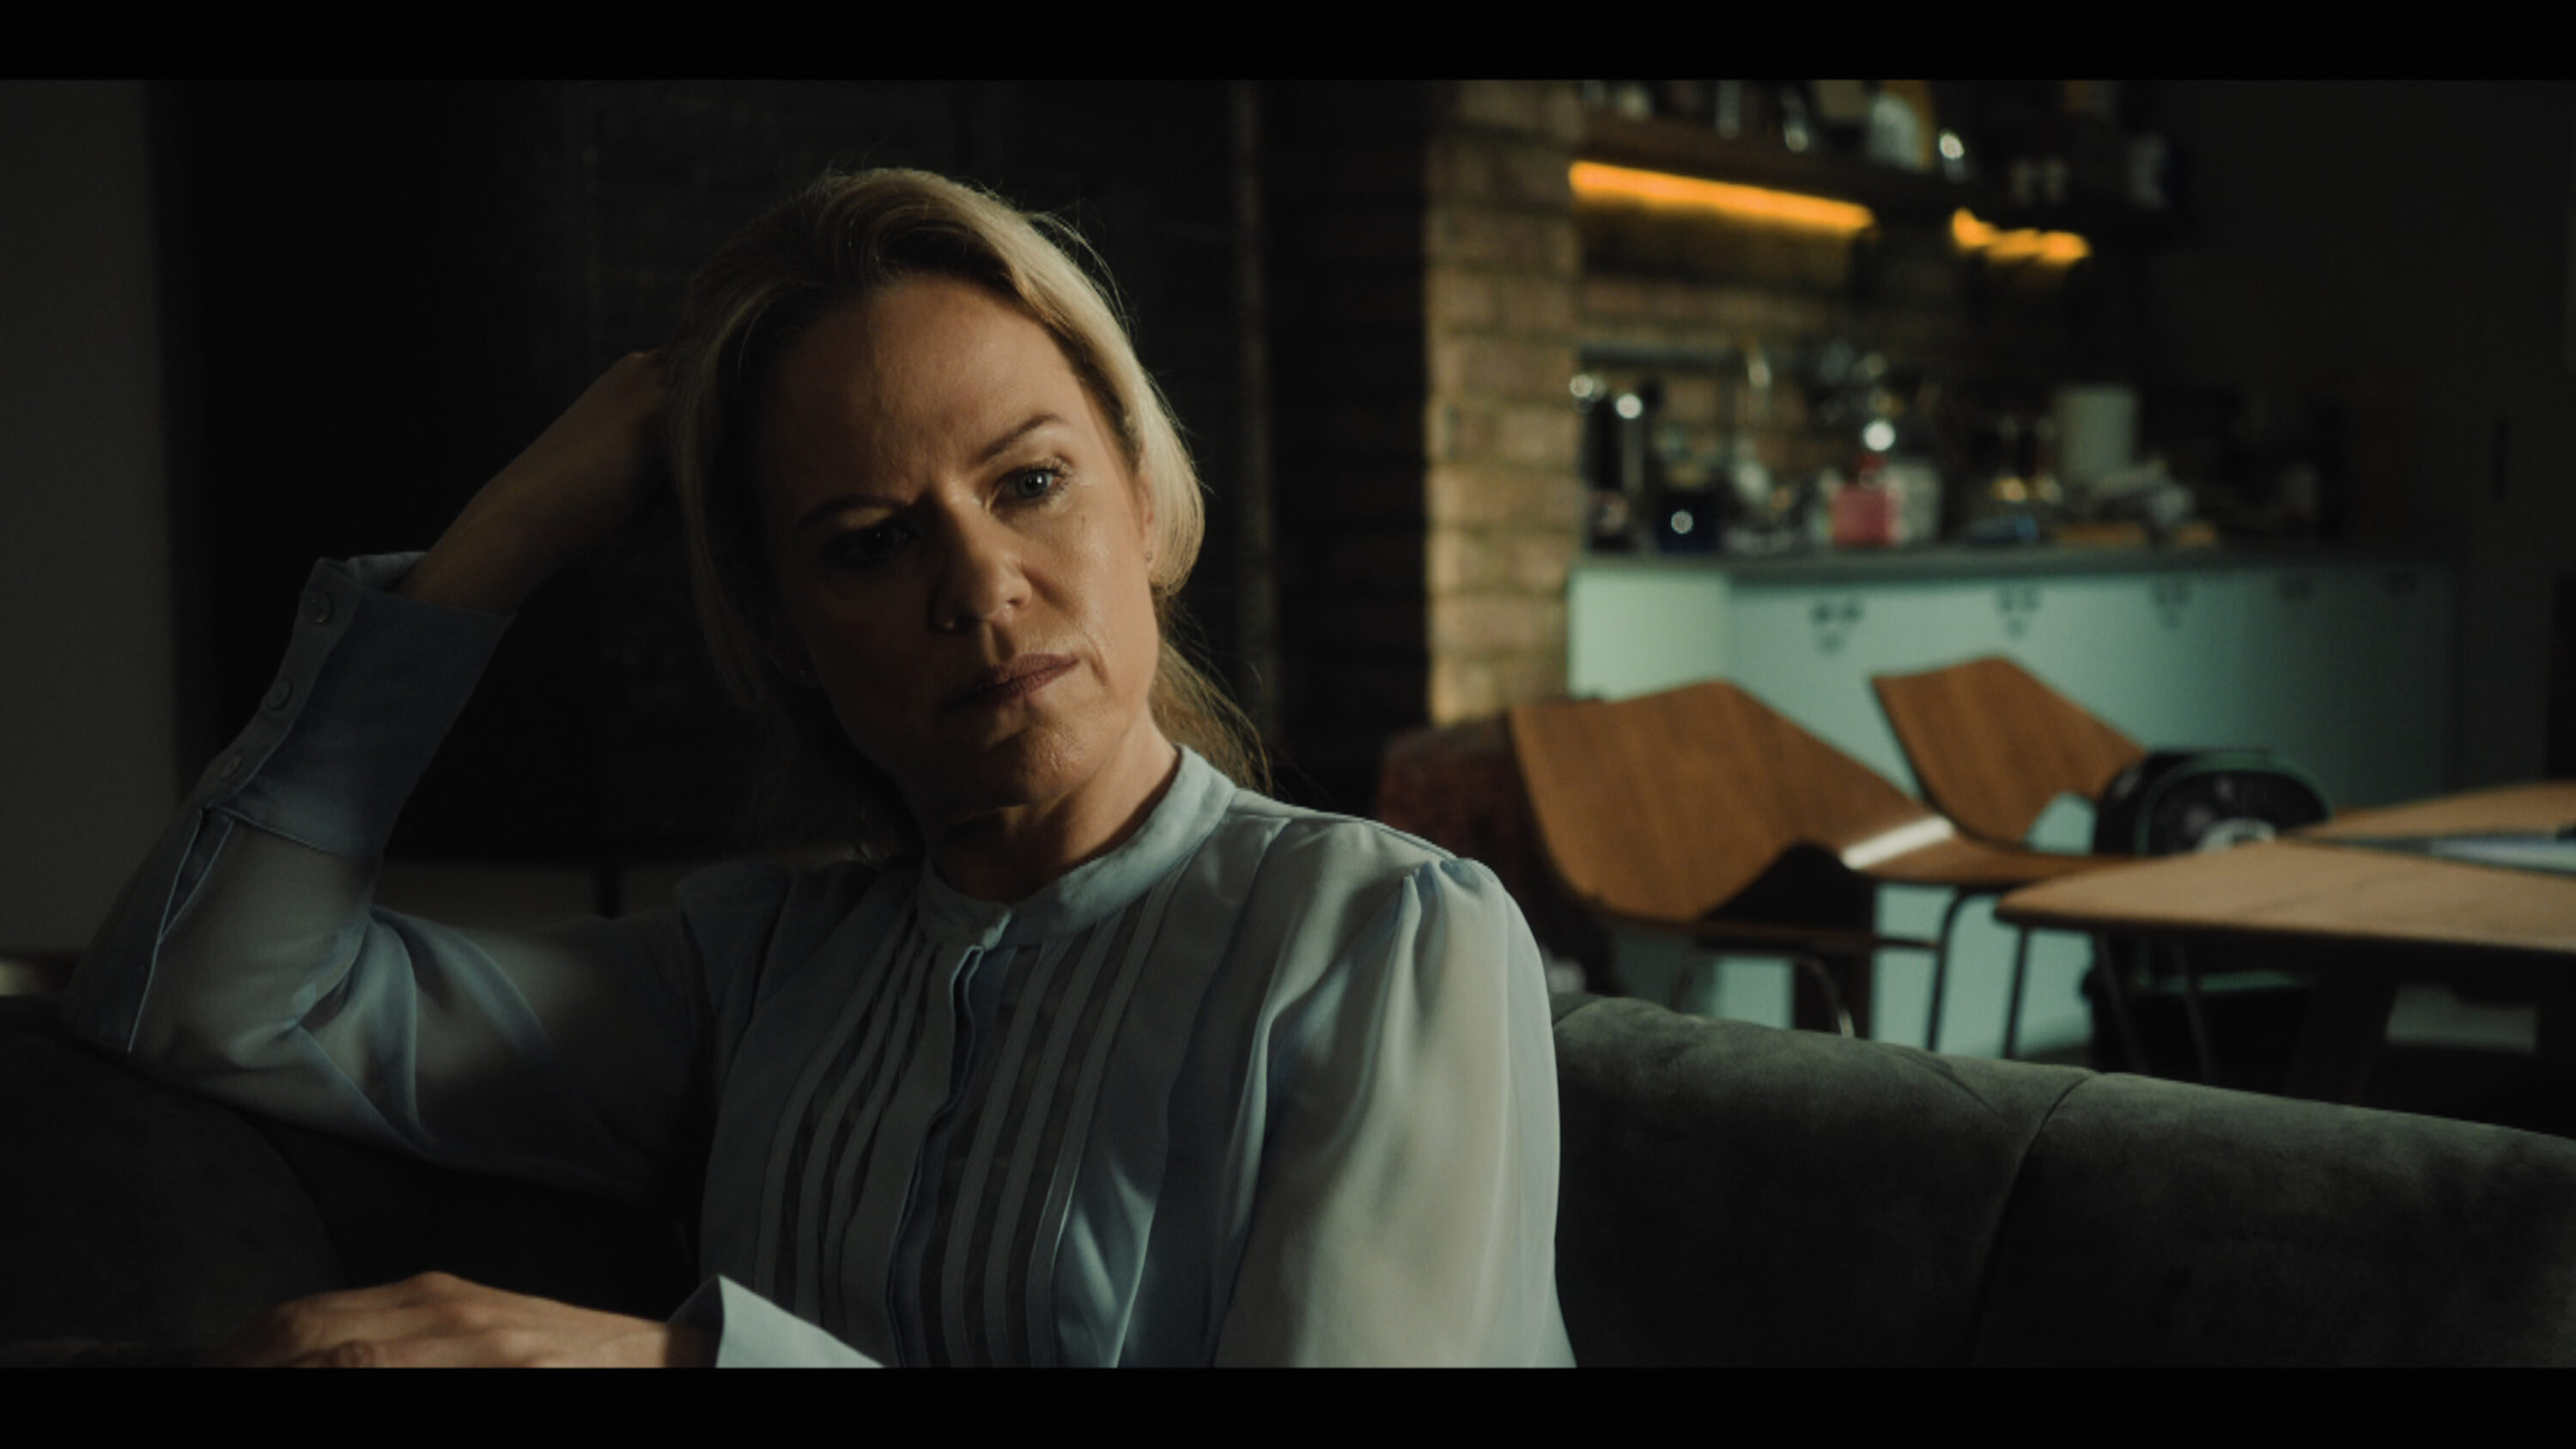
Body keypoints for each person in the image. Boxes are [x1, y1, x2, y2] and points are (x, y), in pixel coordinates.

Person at [62, 169, 1574, 1367]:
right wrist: (500, 543)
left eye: (1032, 481)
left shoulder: (1382, 937)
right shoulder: (751, 973)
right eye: (869, 544)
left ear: (1145, 501)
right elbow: (206, 994)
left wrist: (686, 1365)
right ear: (783, 633)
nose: (980, 588)